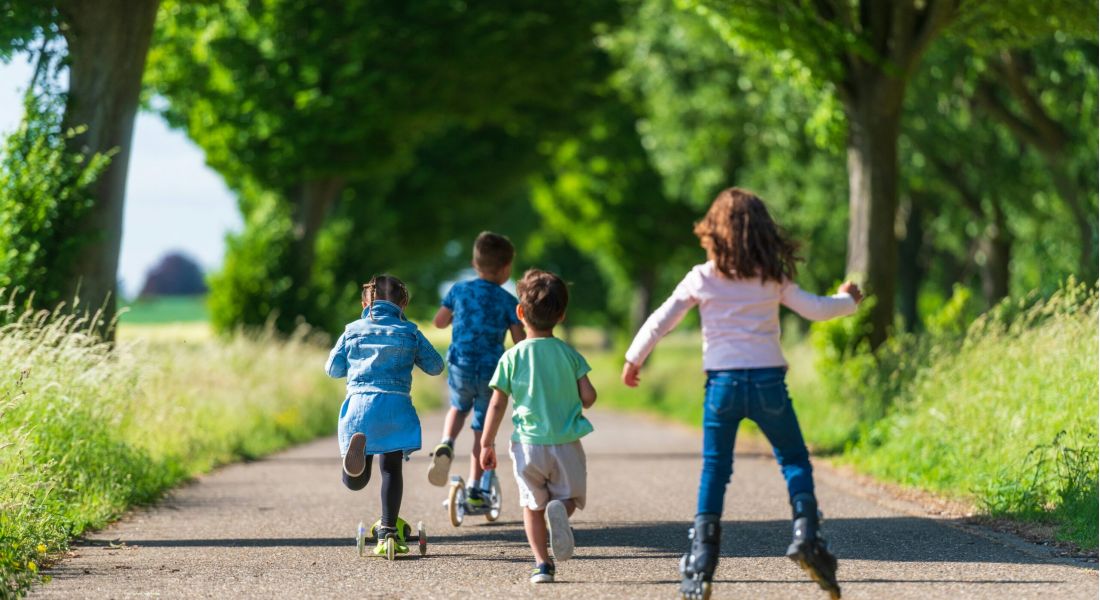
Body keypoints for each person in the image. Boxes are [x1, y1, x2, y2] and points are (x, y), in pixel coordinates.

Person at [621, 188, 861, 600]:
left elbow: (663, 319)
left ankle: (702, 558)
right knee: (794, 460)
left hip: (722, 386)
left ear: (713, 231)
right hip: (768, 383)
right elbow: (817, 309)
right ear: (762, 232)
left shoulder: (702, 276)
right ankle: (807, 534)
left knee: (716, 469)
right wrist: (848, 300)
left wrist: (634, 358)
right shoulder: (771, 277)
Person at [479, 269, 597, 584]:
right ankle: (560, 509)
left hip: (527, 445)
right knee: (567, 497)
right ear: (561, 315)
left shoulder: (511, 357)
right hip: (566, 443)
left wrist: (486, 443)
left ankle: (542, 565)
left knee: (531, 507)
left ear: (520, 313)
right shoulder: (569, 354)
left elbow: (497, 403)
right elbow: (589, 397)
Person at [325, 275, 444, 557]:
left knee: (357, 480)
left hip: (359, 408)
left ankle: (351, 469)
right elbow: (436, 366)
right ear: (403, 303)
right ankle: (388, 529)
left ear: (366, 302)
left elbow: (332, 368)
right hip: (394, 407)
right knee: (391, 469)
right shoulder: (409, 331)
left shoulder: (352, 330)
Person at [426, 232, 525, 505]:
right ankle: (474, 489)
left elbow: (438, 322)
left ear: (474, 262)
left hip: (461, 364)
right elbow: (520, 342)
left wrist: (459, 316)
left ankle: (446, 441)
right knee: (482, 429)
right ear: (506, 270)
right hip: (492, 371)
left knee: (458, 407)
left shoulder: (458, 290)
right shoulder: (507, 301)